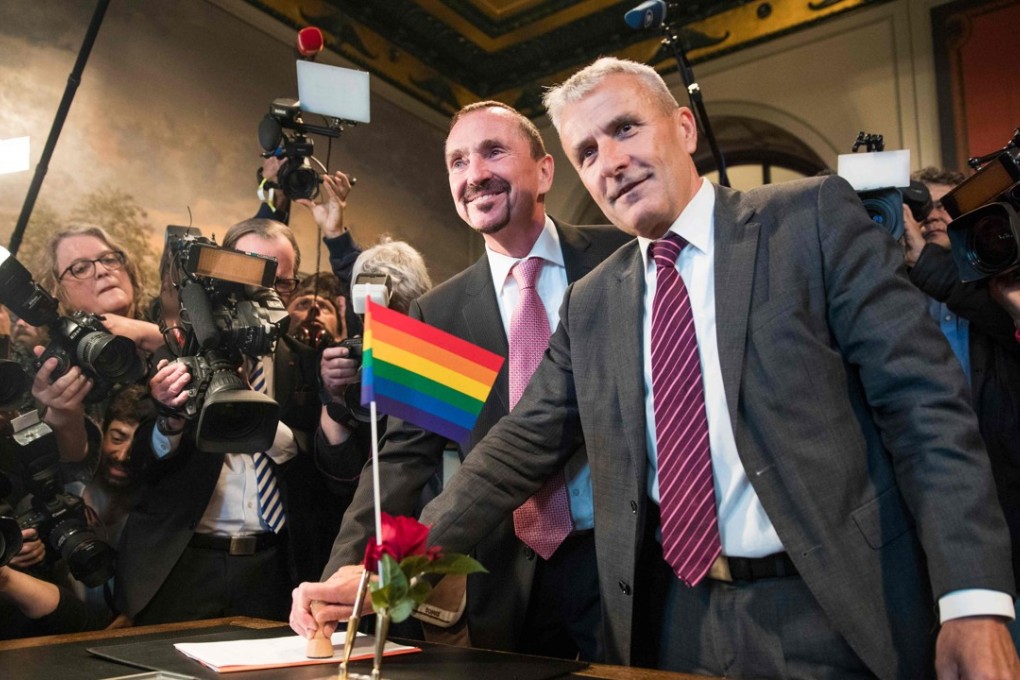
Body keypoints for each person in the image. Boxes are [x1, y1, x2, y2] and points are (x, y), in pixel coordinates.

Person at [293, 58, 1017, 679]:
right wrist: (385, 572)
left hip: (834, 609)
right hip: (667, 624)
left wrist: (974, 599)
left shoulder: (809, 220)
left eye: (625, 129)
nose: (609, 161)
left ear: (684, 128)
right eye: (588, 151)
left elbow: (926, 410)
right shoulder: (588, 301)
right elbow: (508, 449)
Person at [294, 101, 630, 660]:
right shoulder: (436, 314)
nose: (474, 174)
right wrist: (342, 580)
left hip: (628, 559)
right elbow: (400, 462)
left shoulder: (618, 257)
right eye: (457, 162)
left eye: (493, 151)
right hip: (506, 576)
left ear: (545, 170)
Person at [113, 218, 333, 624]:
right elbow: (138, 464)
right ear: (217, 279)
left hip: (276, 570)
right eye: (248, 278)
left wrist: (259, 421)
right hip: (182, 564)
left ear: (294, 287)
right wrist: (169, 420)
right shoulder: (176, 349)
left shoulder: (310, 363)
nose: (261, 294)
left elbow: (329, 468)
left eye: (278, 282)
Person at [902, 167, 1020, 600]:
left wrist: (925, 262)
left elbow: (1001, 323)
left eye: (948, 207)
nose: (933, 216)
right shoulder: (895, 294)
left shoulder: (1006, 296)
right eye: (922, 208)